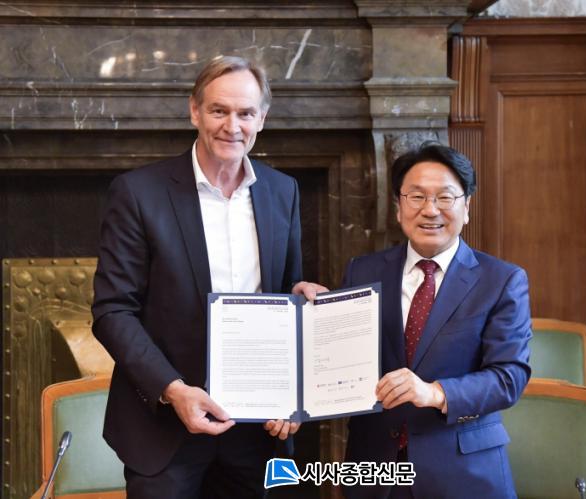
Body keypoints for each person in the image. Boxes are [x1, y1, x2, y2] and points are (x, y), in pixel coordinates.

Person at [92, 55, 327, 499]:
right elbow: (112, 311)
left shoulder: (283, 191)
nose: (232, 126)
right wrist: (173, 390)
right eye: (219, 110)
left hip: (256, 432)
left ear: (262, 119)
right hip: (164, 429)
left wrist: (299, 297)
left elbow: (283, 294)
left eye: (245, 113)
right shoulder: (138, 192)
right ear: (194, 111)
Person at [341, 143, 532, 499]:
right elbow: (339, 360)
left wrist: (435, 392)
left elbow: (509, 377)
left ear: (467, 207)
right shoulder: (362, 272)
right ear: (398, 207)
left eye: (445, 197)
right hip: (375, 470)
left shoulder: (502, 280)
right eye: (416, 197)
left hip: (463, 472)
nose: (430, 210)